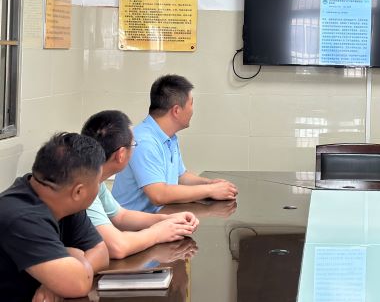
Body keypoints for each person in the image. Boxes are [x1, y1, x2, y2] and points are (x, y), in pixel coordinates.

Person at [0, 132, 110, 301]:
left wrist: (54, 283)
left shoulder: (64, 200)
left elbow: (101, 253)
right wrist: (73, 255)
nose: (99, 187)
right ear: (78, 192)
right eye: (98, 182)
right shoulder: (21, 217)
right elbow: (79, 284)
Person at [82, 109, 201, 259]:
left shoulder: (93, 176)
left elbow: (120, 216)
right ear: (121, 155)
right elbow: (117, 247)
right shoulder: (83, 186)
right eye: (133, 145)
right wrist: (157, 233)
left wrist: (168, 220)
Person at [113, 74, 238, 213]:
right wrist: (210, 190)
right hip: (132, 225)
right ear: (176, 110)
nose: (192, 110)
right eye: (191, 104)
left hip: (159, 218)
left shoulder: (169, 137)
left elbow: (181, 177)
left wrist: (210, 183)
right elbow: (159, 195)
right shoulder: (144, 141)